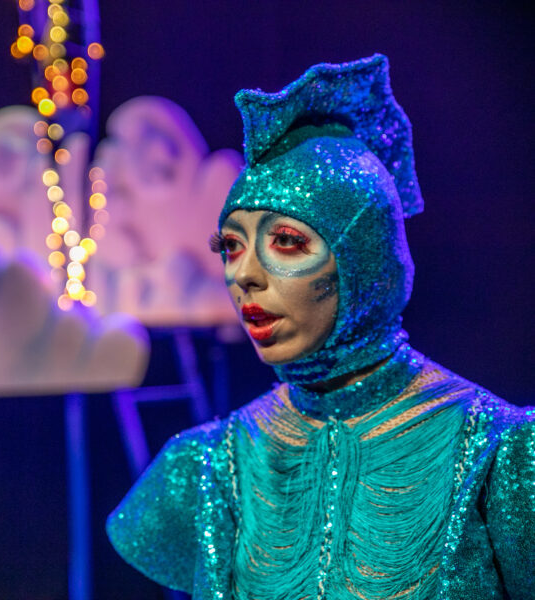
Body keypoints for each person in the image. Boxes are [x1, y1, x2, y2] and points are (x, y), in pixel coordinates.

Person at [106, 54, 534, 599]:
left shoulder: (499, 449)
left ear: (364, 258)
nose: (244, 275)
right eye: (231, 246)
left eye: (286, 242)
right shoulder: (211, 464)